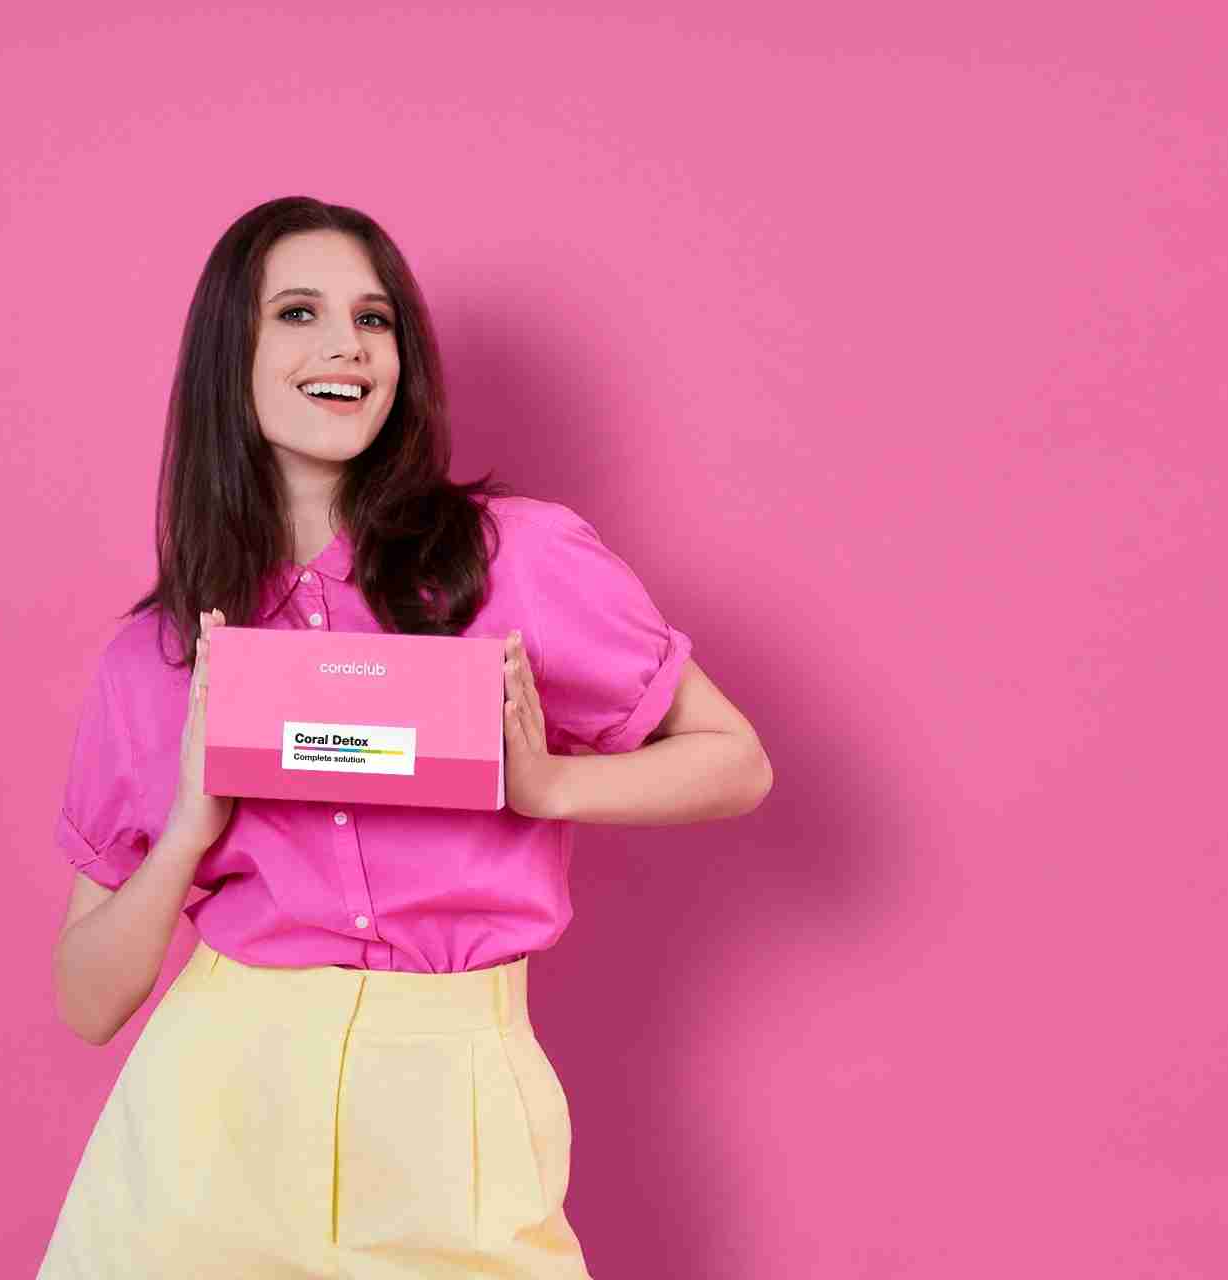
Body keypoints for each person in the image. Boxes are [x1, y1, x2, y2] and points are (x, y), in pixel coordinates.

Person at [38, 195, 773, 1277]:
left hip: (452, 1106)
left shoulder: (518, 561)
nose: (344, 344)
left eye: (373, 319)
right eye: (297, 312)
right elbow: (87, 998)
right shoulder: (157, 656)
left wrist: (549, 786)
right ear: (229, 354)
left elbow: (737, 761)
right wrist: (190, 830)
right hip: (209, 1123)